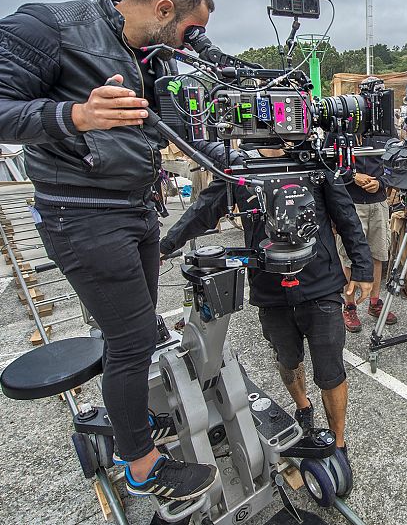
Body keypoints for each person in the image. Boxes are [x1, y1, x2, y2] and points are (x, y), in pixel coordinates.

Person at [0, 0, 219, 501]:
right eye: (193, 28)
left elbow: (177, 129)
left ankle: (132, 420)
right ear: (164, 8)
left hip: (135, 209)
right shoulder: (47, 28)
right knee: (131, 339)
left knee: (140, 334)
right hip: (82, 215)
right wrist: (73, 115)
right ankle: (141, 466)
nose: (196, 41)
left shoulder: (148, 58)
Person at [159, 143, 373, 470]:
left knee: (330, 370)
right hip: (269, 290)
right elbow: (203, 210)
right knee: (287, 358)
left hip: (321, 284)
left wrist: (363, 269)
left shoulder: (313, 160)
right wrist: (163, 245)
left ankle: (338, 442)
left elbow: (346, 216)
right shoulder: (239, 168)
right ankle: (303, 408)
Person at [336, 126, 398, 333]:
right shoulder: (337, 131)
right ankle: (349, 305)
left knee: (377, 255)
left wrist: (380, 182)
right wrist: (353, 176)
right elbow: (328, 165)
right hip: (350, 204)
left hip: (378, 203)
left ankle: (374, 302)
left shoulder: (387, 132)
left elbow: (396, 164)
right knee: (348, 257)